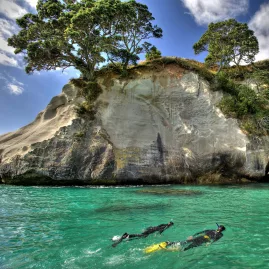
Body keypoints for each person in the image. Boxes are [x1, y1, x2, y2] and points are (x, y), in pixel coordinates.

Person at [144, 223, 226, 253]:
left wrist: (209, 243)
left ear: (220, 229)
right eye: (219, 228)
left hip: (204, 239)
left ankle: (177, 248)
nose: (219, 229)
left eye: (220, 228)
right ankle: (171, 244)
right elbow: (200, 232)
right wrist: (193, 236)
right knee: (186, 242)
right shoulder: (214, 232)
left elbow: (215, 239)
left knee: (189, 245)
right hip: (202, 238)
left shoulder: (218, 233)